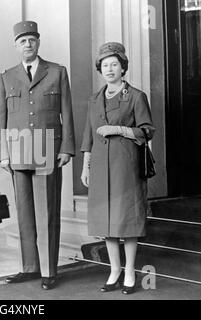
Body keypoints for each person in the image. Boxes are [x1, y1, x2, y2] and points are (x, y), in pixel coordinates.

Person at [0, 21, 75, 290]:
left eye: (31, 40)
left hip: (47, 149)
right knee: (25, 213)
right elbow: (1, 120)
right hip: (18, 150)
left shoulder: (57, 72)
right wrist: (3, 154)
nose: (27, 45)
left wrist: (66, 147)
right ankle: (29, 267)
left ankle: (48, 270)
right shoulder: (6, 76)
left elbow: (67, 112)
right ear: (16, 45)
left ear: (38, 42)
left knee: (47, 212)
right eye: (22, 41)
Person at [81, 42, 155, 295]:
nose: (109, 69)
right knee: (106, 222)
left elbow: (147, 131)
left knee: (127, 221)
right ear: (100, 69)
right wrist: (86, 166)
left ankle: (131, 273)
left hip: (126, 166)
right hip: (100, 167)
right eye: (105, 65)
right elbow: (87, 136)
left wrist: (119, 130)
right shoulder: (94, 99)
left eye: (114, 64)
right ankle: (114, 271)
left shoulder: (136, 96)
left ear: (123, 67)